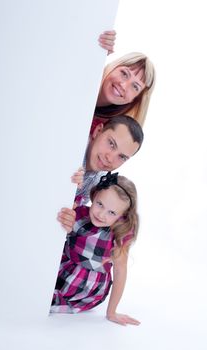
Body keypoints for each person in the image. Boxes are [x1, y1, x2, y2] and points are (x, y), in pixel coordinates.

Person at [50, 172, 140, 326]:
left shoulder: (118, 234)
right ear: (94, 195)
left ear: (122, 215)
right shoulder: (79, 214)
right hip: (62, 271)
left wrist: (111, 312)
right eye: (100, 204)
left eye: (112, 212)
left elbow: (120, 271)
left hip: (84, 286)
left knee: (45, 301)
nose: (101, 214)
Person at [58, 115, 144, 231]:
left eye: (122, 157)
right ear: (98, 131)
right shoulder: (70, 147)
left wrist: (69, 218)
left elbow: (71, 207)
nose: (110, 158)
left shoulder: (99, 183)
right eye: (111, 144)